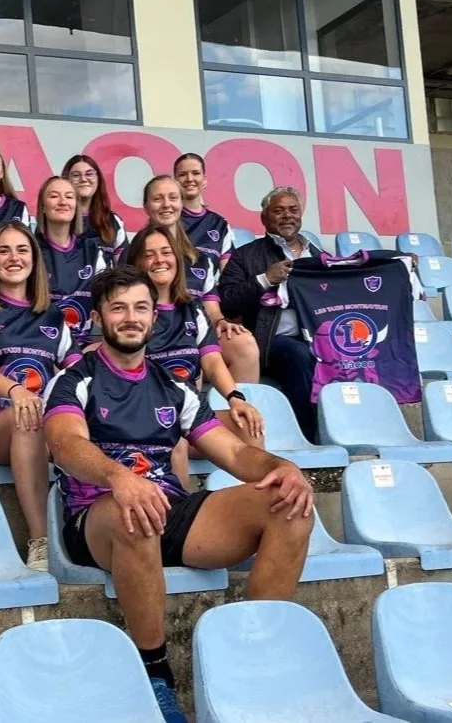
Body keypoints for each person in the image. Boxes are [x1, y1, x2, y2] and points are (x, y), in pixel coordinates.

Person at [44, 266, 314, 722]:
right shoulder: (76, 379)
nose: (131, 317)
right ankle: (155, 676)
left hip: (168, 508)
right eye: (119, 308)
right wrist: (118, 477)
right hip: (96, 518)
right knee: (137, 509)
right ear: (99, 317)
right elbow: (65, 443)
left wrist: (281, 467)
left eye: (141, 307)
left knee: (288, 506)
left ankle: (253, 665)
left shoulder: (174, 386)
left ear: (154, 317)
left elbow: (231, 451)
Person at [0, 221, 82, 570]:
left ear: (35, 260)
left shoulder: (53, 314)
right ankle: (40, 541)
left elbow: (77, 370)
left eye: (22, 250)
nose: (14, 258)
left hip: (42, 421)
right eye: (4, 250)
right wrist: (17, 392)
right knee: (24, 416)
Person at [125, 224, 264, 478]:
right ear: (136, 264)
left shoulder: (192, 308)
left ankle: (247, 504)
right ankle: (182, 512)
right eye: (149, 255)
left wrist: (235, 397)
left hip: (190, 415)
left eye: (166, 252)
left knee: (248, 427)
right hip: (146, 416)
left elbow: (211, 360)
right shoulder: (131, 312)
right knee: (173, 435)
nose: (159, 260)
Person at [219, 186, 322, 438]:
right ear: (264, 218)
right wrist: (265, 279)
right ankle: (308, 438)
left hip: (318, 338)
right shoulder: (245, 256)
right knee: (299, 354)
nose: (287, 216)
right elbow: (227, 302)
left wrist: (397, 262)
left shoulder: (319, 256)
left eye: (293, 210)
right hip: (269, 341)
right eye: (279, 210)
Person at [141, 175, 259, 383]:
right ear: (146, 206)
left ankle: (241, 410)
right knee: (188, 352)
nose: (167, 204)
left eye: (173, 198)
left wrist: (222, 322)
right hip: (156, 336)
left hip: (199, 330)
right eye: (158, 199)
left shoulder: (200, 257)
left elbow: (211, 308)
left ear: (181, 202)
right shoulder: (137, 254)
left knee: (244, 344)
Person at [35, 176, 107, 340]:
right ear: (42, 207)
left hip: (83, 346)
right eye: (54, 196)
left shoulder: (93, 252)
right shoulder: (29, 250)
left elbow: (108, 302)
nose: (62, 202)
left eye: (69, 196)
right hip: (40, 346)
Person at [174, 152, 235, 268]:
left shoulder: (220, 224)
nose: (189, 179)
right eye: (182, 174)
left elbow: (228, 274)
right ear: (175, 181)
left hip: (209, 286)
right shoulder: (167, 220)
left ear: (205, 180)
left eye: (196, 173)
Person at [63, 154, 126, 257]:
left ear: (98, 179)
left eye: (89, 174)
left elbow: (123, 265)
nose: (83, 179)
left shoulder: (112, 221)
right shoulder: (57, 219)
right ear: (66, 180)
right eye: (76, 175)